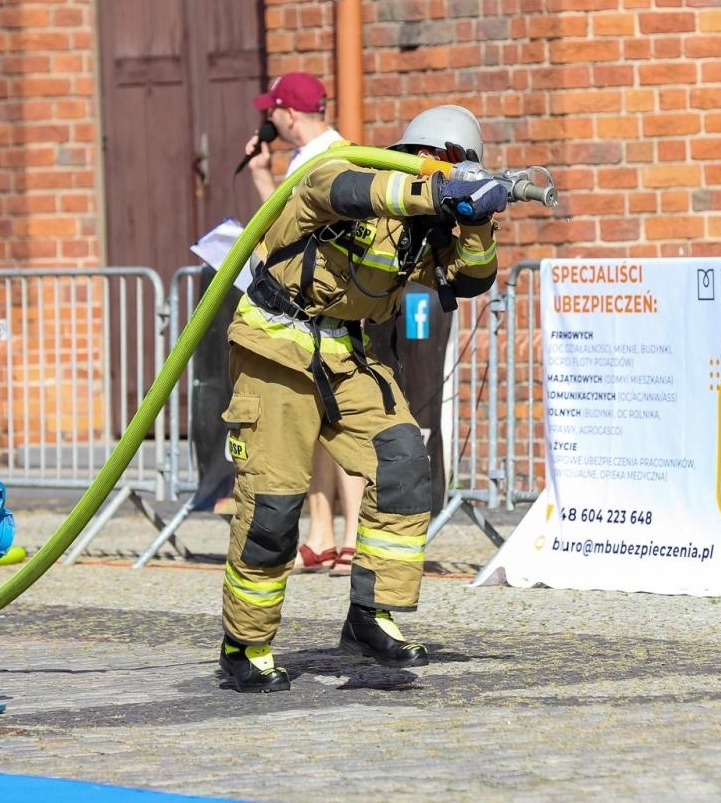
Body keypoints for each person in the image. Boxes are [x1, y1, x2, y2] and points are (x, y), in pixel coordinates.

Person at [217, 104, 507, 693]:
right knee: (273, 506)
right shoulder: (344, 170)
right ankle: (244, 644)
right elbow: (343, 191)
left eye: (457, 166)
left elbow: (470, 279)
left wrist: (477, 221)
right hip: (276, 348)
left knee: (403, 464)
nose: (445, 172)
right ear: (415, 154)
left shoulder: (422, 228)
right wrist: (437, 191)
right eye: (440, 161)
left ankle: (370, 615)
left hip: (347, 355)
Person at [241, 72, 361, 577]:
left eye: (271, 111)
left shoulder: (330, 160)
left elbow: (285, 237)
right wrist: (263, 174)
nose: (268, 118)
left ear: (288, 115)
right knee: (313, 424)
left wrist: (261, 179)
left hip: (334, 310)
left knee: (342, 423)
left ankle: (353, 539)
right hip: (305, 310)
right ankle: (322, 536)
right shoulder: (304, 158)